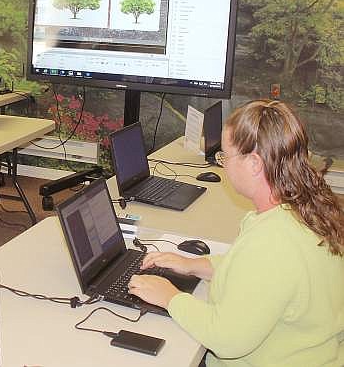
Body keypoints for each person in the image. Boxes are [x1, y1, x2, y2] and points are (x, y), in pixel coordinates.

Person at [128, 100, 344, 366]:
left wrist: (170, 297)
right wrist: (197, 265)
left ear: (254, 163)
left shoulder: (271, 242)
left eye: (225, 156)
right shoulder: (307, 208)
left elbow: (227, 339)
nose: (224, 165)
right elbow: (265, 278)